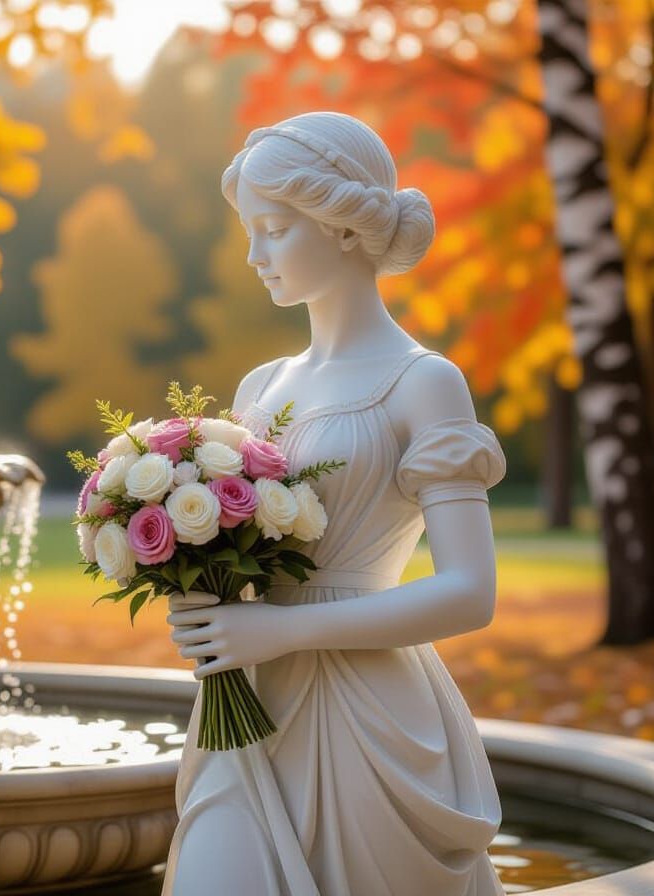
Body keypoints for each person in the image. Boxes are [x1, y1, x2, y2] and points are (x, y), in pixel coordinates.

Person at [162, 111, 507, 896]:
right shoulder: (259, 387)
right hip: (246, 710)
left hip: (366, 718)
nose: (254, 255)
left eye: (274, 229)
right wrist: (194, 586)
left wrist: (284, 628)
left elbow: (470, 593)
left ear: (345, 229)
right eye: (249, 230)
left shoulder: (424, 381)